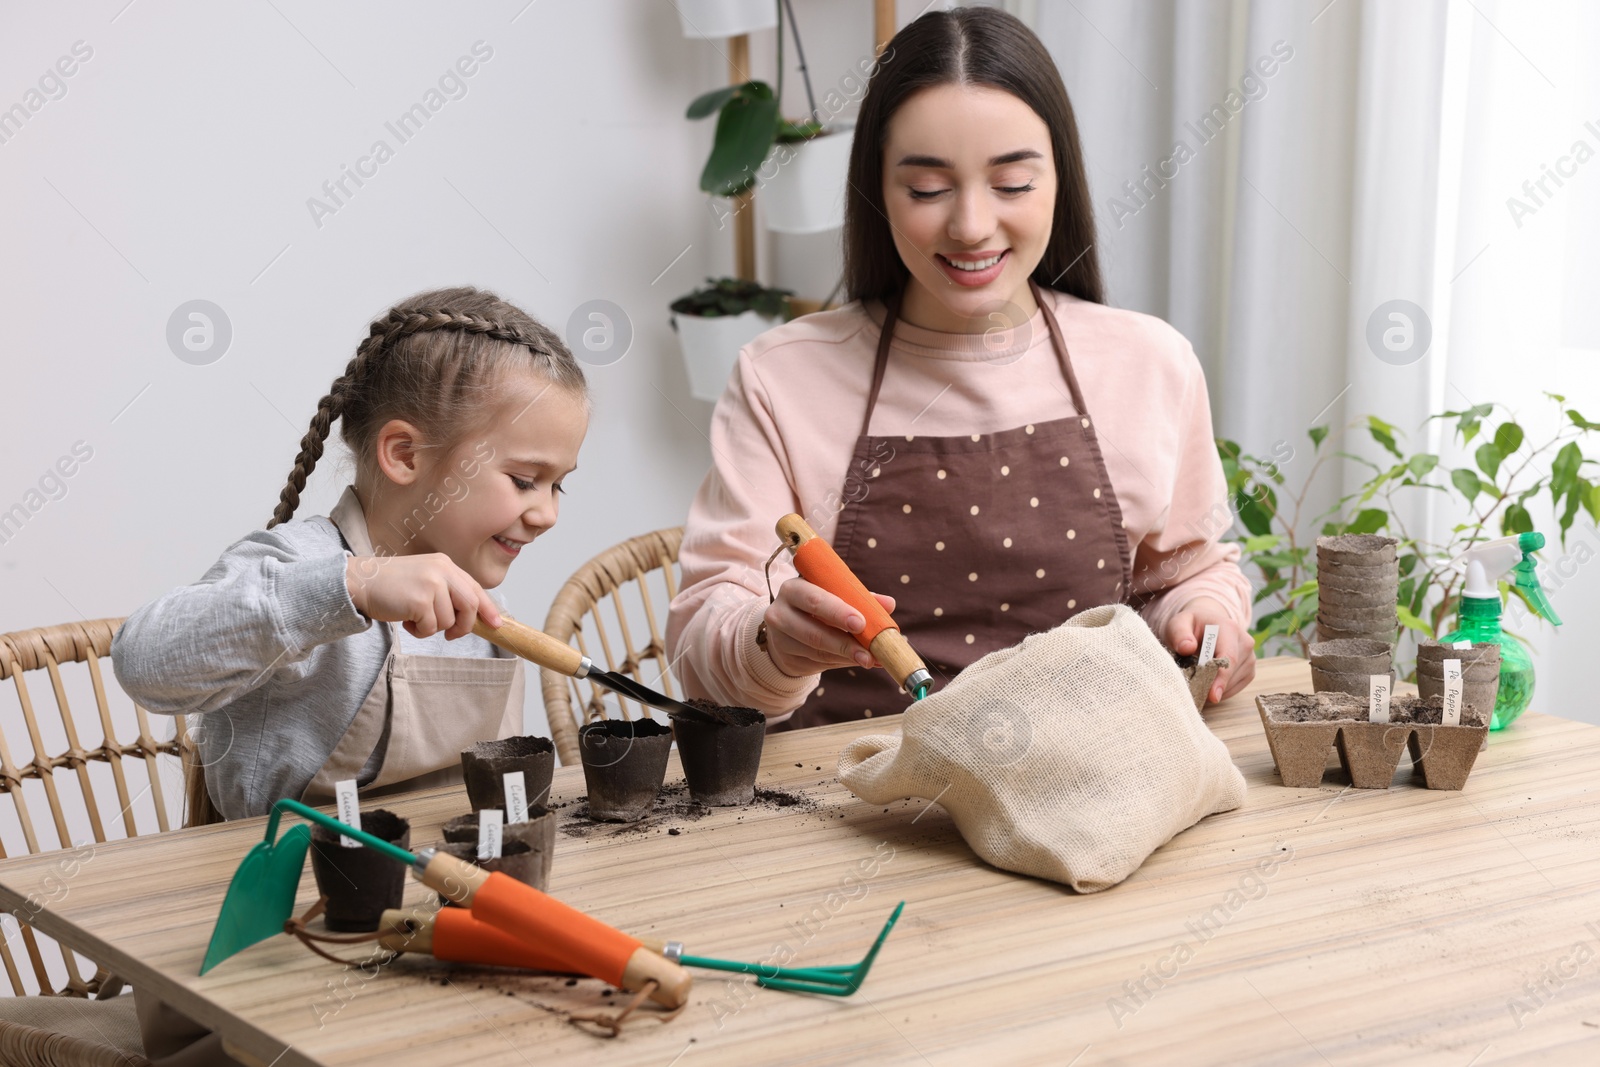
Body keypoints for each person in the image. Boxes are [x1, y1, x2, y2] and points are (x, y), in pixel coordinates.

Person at [667, 7, 1255, 729]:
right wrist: (772, 644)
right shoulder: (779, 378)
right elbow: (703, 639)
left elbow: (1188, 573)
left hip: (1085, 792)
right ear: (877, 192)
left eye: (1012, 185)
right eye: (926, 189)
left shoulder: (1149, 361)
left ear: (1060, 182)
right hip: (843, 807)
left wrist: (1204, 615)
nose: (972, 224)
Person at [112, 286, 588, 822]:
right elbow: (143, 660)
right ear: (405, 455)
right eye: (525, 480)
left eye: (557, 486)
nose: (547, 514)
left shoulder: (478, 592)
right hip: (294, 892)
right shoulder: (305, 566)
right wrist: (352, 587)